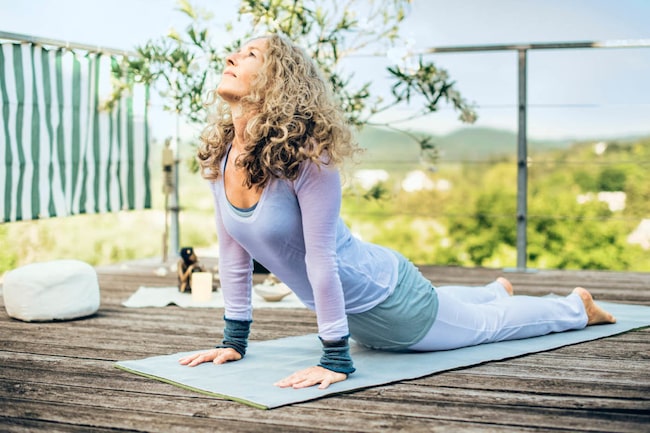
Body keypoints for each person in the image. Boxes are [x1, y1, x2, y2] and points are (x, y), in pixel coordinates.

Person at [178, 34, 616, 390]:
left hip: (390, 303)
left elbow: (321, 259)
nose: (232, 56)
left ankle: (576, 306)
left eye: (250, 54)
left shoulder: (308, 157)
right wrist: (234, 341)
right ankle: (493, 289)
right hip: (356, 316)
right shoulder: (222, 157)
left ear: (275, 82)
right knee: (458, 312)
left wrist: (335, 359)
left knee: (488, 327)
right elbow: (232, 250)